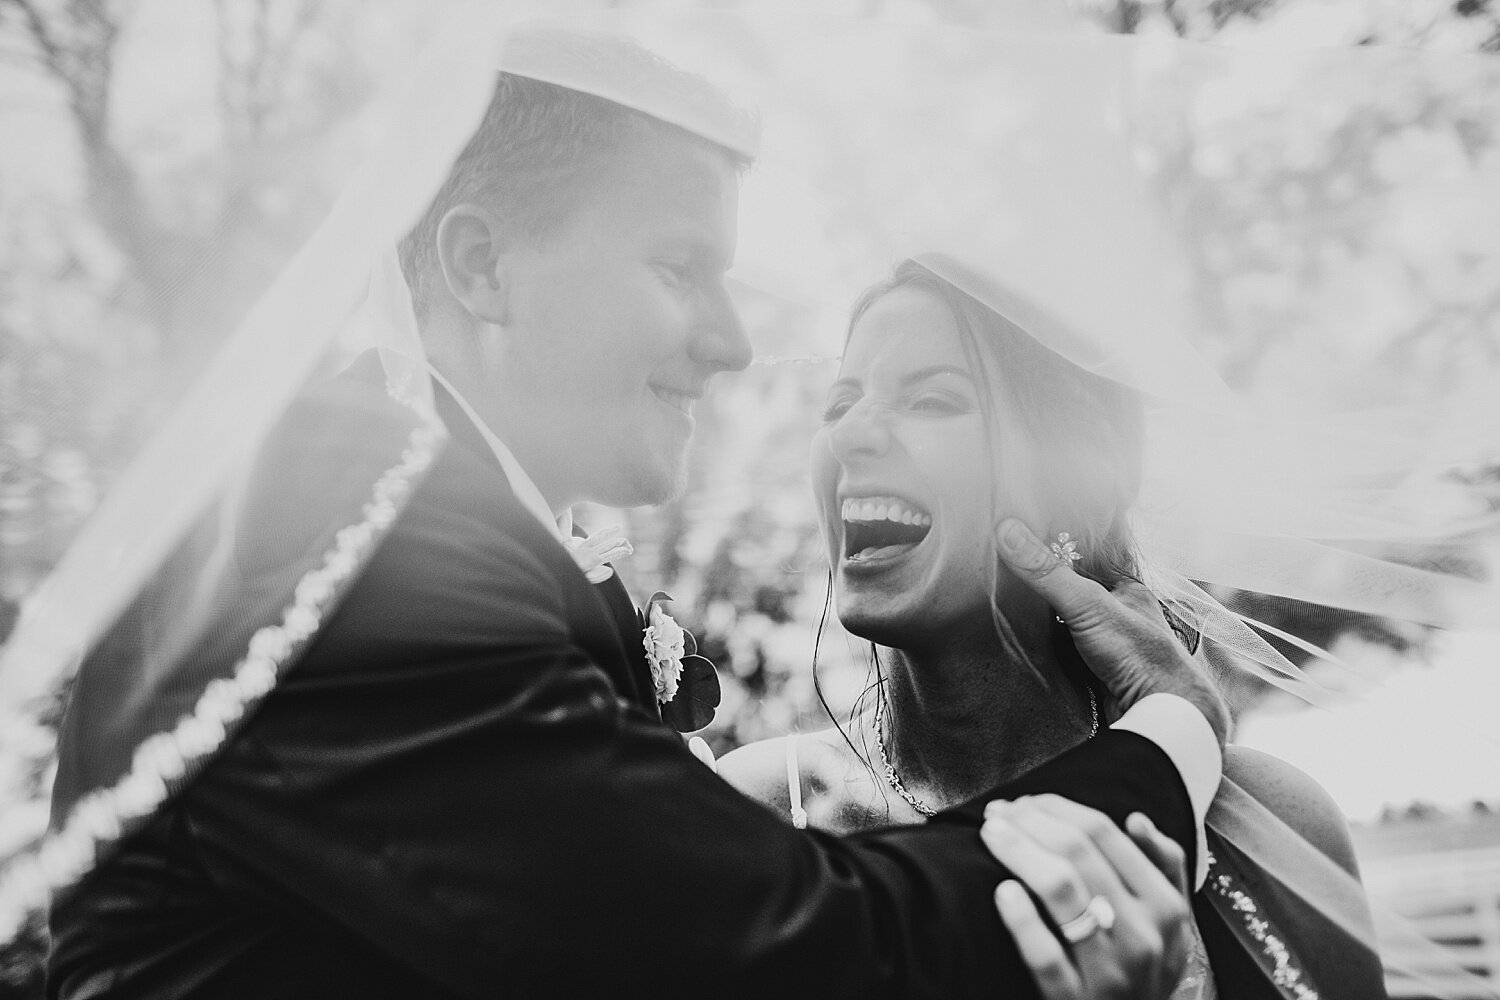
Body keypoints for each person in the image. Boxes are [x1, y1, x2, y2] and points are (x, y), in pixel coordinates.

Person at [37, 32, 1231, 1000]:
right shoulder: (351, 545)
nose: (734, 342)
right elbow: (786, 953)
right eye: (678, 269)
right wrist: (1175, 732)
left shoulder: (450, 519)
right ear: (480, 264)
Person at [718, 259, 1389, 999]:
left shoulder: (1272, 822)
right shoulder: (755, 814)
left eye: (933, 400)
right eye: (840, 403)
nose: (850, 437)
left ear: (1076, 485)